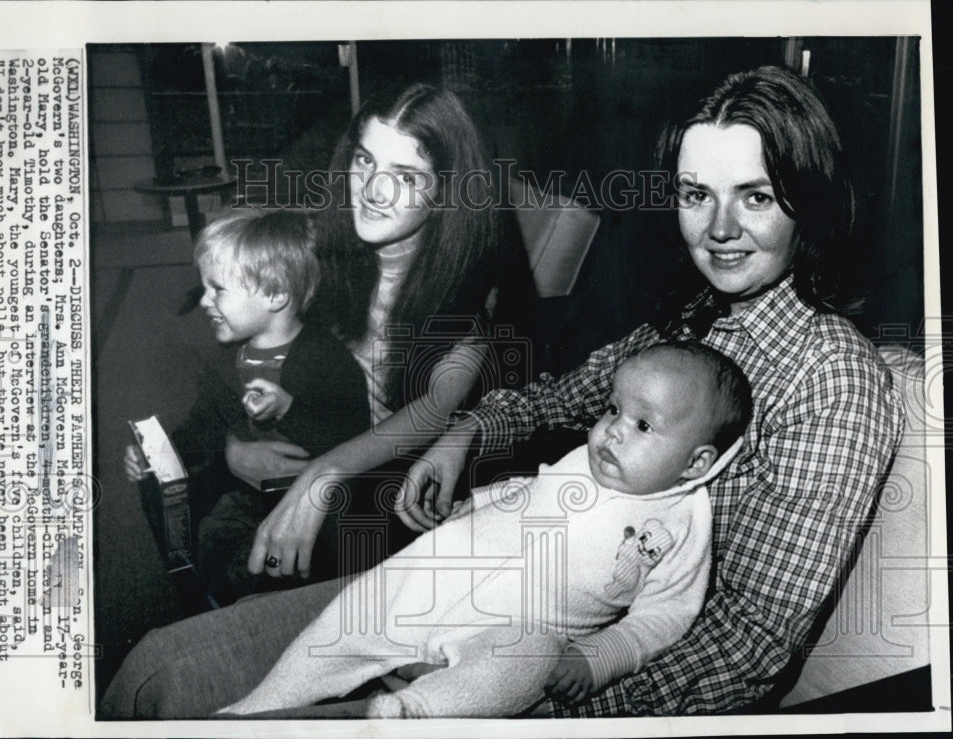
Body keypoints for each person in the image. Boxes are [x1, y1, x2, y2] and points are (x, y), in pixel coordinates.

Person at [100, 66, 903, 719]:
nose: (718, 228)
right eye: (697, 194)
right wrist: (467, 435)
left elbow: (746, 647)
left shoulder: (832, 379)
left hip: (537, 666)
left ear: (809, 199)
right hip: (466, 573)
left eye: (755, 195)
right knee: (156, 669)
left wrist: (529, 701)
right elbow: (560, 396)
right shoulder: (688, 317)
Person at [217, 342, 752, 718]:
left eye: (643, 424)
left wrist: (599, 657)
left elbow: (665, 617)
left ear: (695, 461)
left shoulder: (681, 524)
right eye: (613, 409)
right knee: (355, 613)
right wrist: (476, 502)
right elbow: (531, 488)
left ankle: (410, 713)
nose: (612, 430)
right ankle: (255, 708)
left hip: (519, 624)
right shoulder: (587, 460)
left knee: (527, 661)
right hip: (446, 568)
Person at [222, 82, 533, 584]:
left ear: (445, 192)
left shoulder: (476, 283)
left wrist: (325, 471)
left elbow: (436, 407)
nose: (372, 191)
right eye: (365, 161)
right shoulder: (319, 251)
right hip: (308, 440)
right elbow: (247, 352)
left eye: (405, 176)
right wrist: (231, 446)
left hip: (392, 484)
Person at [123, 210, 370, 600]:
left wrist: (289, 409)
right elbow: (204, 426)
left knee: (290, 569)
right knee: (212, 544)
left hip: (316, 510)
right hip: (248, 497)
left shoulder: (325, 359)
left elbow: (351, 437)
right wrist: (157, 453)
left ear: (275, 294)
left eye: (217, 289)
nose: (204, 301)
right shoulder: (224, 361)